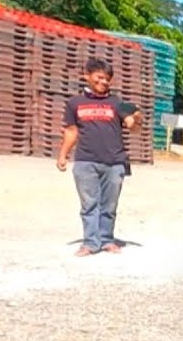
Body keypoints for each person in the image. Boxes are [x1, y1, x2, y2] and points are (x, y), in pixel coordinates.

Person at [56, 58, 144, 256]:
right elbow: (71, 131)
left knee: (109, 205)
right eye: (100, 77)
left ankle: (106, 240)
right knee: (89, 204)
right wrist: (63, 155)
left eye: (108, 79)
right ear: (87, 76)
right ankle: (90, 243)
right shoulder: (75, 103)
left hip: (114, 162)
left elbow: (134, 126)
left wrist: (136, 120)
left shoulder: (117, 103)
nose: (104, 82)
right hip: (85, 161)